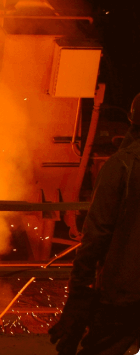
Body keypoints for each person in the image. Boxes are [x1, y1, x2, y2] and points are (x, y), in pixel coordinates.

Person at [49, 92, 140, 355]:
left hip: (125, 295)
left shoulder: (121, 167)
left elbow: (95, 237)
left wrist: (78, 295)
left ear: (132, 123)